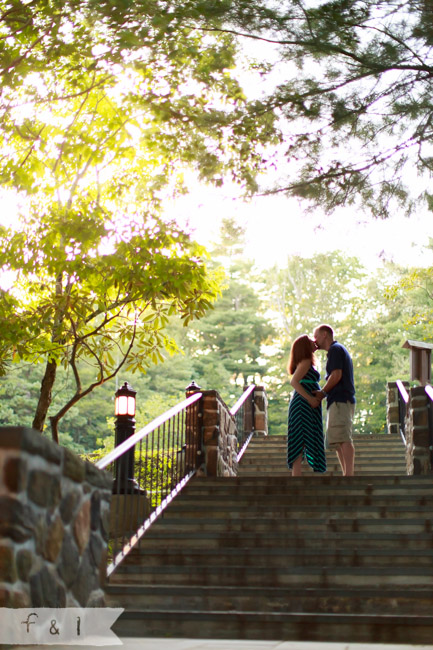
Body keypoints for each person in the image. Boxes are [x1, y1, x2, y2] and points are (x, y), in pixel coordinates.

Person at [313, 324, 356, 477]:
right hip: (337, 401)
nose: (314, 340)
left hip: (340, 400)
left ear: (325, 334)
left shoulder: (335, 350)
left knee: (343, 437)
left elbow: (336, 375)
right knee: (336, 440)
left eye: (316, 336)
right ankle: (346, 474)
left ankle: (349, 475)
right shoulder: (336, 350)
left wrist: (323, 392)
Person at [287, 334, 327, 476]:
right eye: (311, 341)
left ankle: (297, 475)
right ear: (305, 346)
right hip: (302, 405)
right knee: (300, 438)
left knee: (303, 438)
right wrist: (310, 399)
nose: (314, 342)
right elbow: (294, 382)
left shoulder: (307, 362)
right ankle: (296, 476)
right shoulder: (305, 361)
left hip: (307, 404)